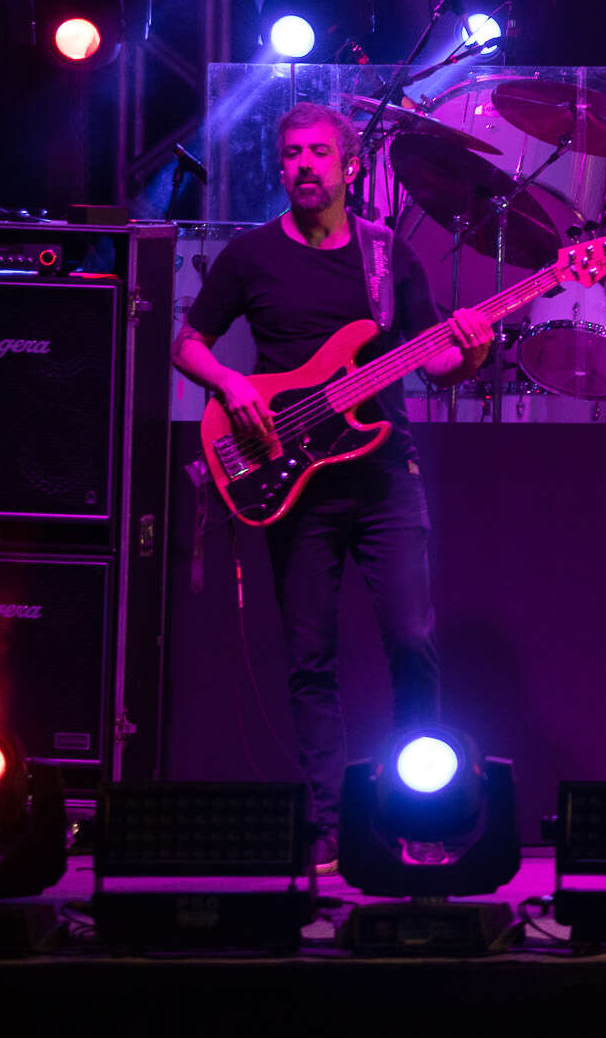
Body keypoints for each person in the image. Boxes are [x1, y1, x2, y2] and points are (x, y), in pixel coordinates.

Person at [174, 103, 493, 863]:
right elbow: (188, 344)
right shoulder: (251, 255)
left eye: (319, 152)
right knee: (310, 658)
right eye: (292, 154)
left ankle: (420, 817)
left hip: (384, 478)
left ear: (349, 165)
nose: (304, 166)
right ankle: (327, 823)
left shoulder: (386, 256)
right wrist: (231, 384)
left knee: (412, 644)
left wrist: (474, 352)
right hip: (291, 476)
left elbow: (435, 360)